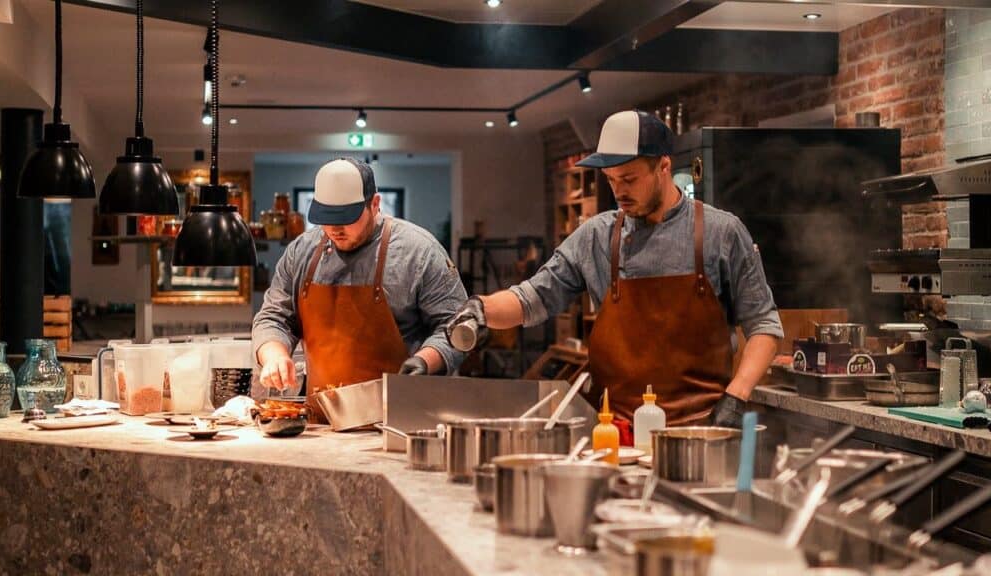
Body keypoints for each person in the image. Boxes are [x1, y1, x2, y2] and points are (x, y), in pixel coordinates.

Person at [446, 110, 783, 429]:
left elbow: (764, 325)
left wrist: (736, 397)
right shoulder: (596, 236)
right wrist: (482, 308)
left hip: (701, 428)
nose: (619, 191)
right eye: (610, 180)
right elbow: (532, 298)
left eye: (629, 179)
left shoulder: (721, 232)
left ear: (664, 166)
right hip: (616, 432)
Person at [253, 157, 466, 396]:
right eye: (326, 218)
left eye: (347, 218)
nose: (335, 229)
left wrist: (424, 362)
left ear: (374, 204)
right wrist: (275, 355)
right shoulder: (301, 251)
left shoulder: (419, 252)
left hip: (397, 411)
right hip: (322, 418)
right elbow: (273, 317)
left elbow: (458, 327)